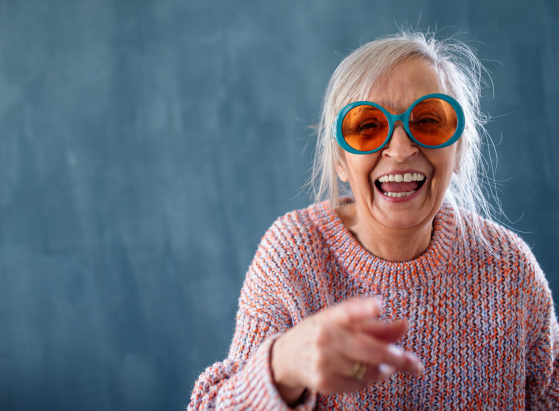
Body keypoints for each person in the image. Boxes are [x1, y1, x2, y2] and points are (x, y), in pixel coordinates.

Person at [188, 30, 559, 410]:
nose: (400, 150)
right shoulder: (293, 255)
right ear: (339, 161)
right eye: (368, 127)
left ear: (459, 151)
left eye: (429, 121)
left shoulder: (511, 270)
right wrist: (283, 366)